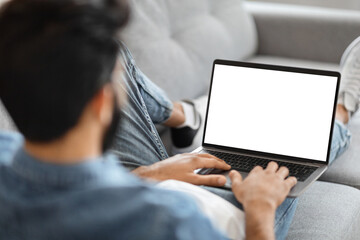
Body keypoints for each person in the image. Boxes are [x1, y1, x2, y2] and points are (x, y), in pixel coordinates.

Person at [0, 0, 356, 239]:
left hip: (133, 181)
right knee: (288, 148)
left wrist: (152, 174)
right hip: (226, 211)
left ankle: (184, 116)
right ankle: (344, 108)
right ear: (101, 101)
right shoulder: (171, 222)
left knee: (112, 51)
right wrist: (261, 207)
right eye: (114, 81)